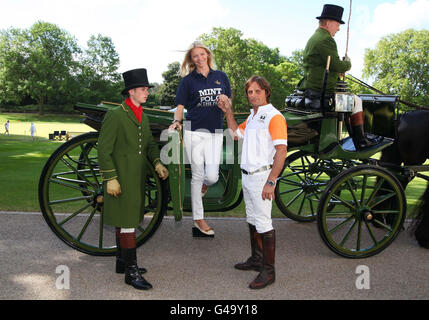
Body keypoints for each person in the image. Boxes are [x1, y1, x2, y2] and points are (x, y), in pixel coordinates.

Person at [97, 68, 169, 290]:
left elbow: (147, 145)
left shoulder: (143, 116)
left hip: (136, 179)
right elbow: (103, 149)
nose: (146, 92)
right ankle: (131, 272)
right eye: (142, 89)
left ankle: (122, 261)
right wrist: (110, 177)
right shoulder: (115, 115)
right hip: (120, 179)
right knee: (127, 223)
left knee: (127, 219)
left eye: (147, 89)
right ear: (131, 92)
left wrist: (157, 162)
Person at [217, 76, 287, 289]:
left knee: (264, 223)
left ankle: (269, 271)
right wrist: (228, 111)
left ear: (266, 92)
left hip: (262, 178)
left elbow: (281, 151)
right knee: (252, 219)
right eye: (250, 92)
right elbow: (235, 134)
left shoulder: (274, 117)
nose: (253, 95)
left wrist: (271, 182)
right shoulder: (254, 116)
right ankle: (257, 260)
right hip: (247, 176)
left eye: (258, 91)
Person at [169, 41, 231, 237]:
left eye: (202, 54)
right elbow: (180, 106)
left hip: (215, 132)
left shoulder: (221, 77)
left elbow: (228, 102)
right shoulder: (187, 81)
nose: (199, 58)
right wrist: (176, 122)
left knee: (211, 176)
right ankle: (198, 219)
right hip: (194, 132)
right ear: (191, 59)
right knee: (197, 175)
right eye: (195, 56)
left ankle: (205, 186)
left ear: (207, 56)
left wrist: (225, 104)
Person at [299, 4, 379, 150]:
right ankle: (360, 140)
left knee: (349, 103)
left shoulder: (314, 38)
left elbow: (326, 65)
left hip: (312, 87)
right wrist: (347, 64)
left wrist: (337, 69)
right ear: (328, 23)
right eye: (337, 24)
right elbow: (336, 65)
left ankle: (355, 138)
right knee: (356, 101)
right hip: (322, 91)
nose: (339, 28)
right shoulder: (326, 39)